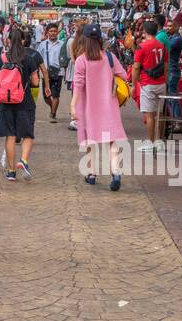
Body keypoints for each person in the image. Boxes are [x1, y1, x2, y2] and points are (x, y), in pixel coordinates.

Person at [71, 23, 129, 191]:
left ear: (85, 40)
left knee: (91, 139)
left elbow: (78, 84)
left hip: (88, 107)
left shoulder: (82, 60)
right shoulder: (110, 57)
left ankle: (91, 173)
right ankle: (116, 171)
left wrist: (73, 104)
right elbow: (124, 75)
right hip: (109, 106)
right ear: (100, 40)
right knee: (111, 141)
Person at [0, 24, 43, 183]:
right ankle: (23, 160)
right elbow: (35, 83)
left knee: (10, 135)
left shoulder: (1, 59)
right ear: (23, 41)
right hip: (24, 101)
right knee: (28, 134)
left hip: (5, 103)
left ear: (8, 41)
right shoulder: (29, 59)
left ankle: (10, 171)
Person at [131, 18, 168, 154]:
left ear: (145, 32)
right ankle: (159, 142)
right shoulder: (161, 46)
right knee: (160, 113)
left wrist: (134, 85)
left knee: (150, 115)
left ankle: (151, 143)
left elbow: (136, 67)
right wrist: (165, 79)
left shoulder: (142, 47)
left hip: (148, 83)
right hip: (161, 83)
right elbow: (165, 66)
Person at [35, 22, 65, 126]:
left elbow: (66, 58)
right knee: (46, 96)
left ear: (57, 32)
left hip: (58, 73)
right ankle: (53, 106)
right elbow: (37, 58)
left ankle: (53, 114)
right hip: (46, 74)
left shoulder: (62, 44)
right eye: (51, 31)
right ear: (47, 32)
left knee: (55, 95)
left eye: (55, 31)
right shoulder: (43, 45)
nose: (53, 33)